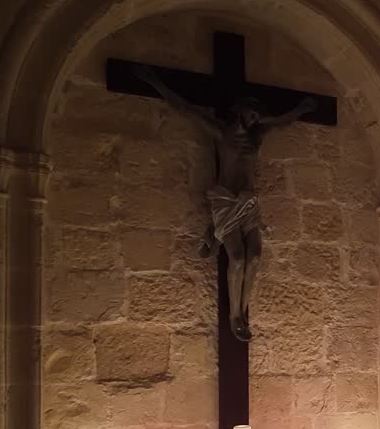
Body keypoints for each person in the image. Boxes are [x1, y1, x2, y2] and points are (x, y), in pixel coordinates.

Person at [133, 64, 316, 341]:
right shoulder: (221, 133)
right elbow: (185, 108)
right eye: (252, 111)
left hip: (249, 203)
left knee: (255, 257)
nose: (256, 117)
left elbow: (280, 122)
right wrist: (156, 83)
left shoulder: (257, 137)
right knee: (239, 258)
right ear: (239, 110)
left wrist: (301, 109)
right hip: (226, 202)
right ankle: (234, 316)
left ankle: (243, 310)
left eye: (258, 114)